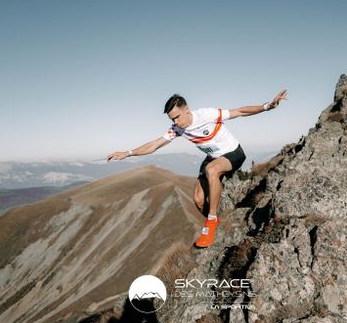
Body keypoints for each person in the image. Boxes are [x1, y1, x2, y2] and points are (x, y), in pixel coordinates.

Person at [107, 90, 287, 248]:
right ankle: (216, 221)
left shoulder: (207, 115)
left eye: (177, 117)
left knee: (212, 171)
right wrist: (128, 153)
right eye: (172, 119)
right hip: (212, 157)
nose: (176, 122)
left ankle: (211, 221)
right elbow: (155, 144)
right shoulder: (177, 129)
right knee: (199, 200)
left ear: (187, 109)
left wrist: (267, 106)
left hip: (234, 153)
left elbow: (239, 111)